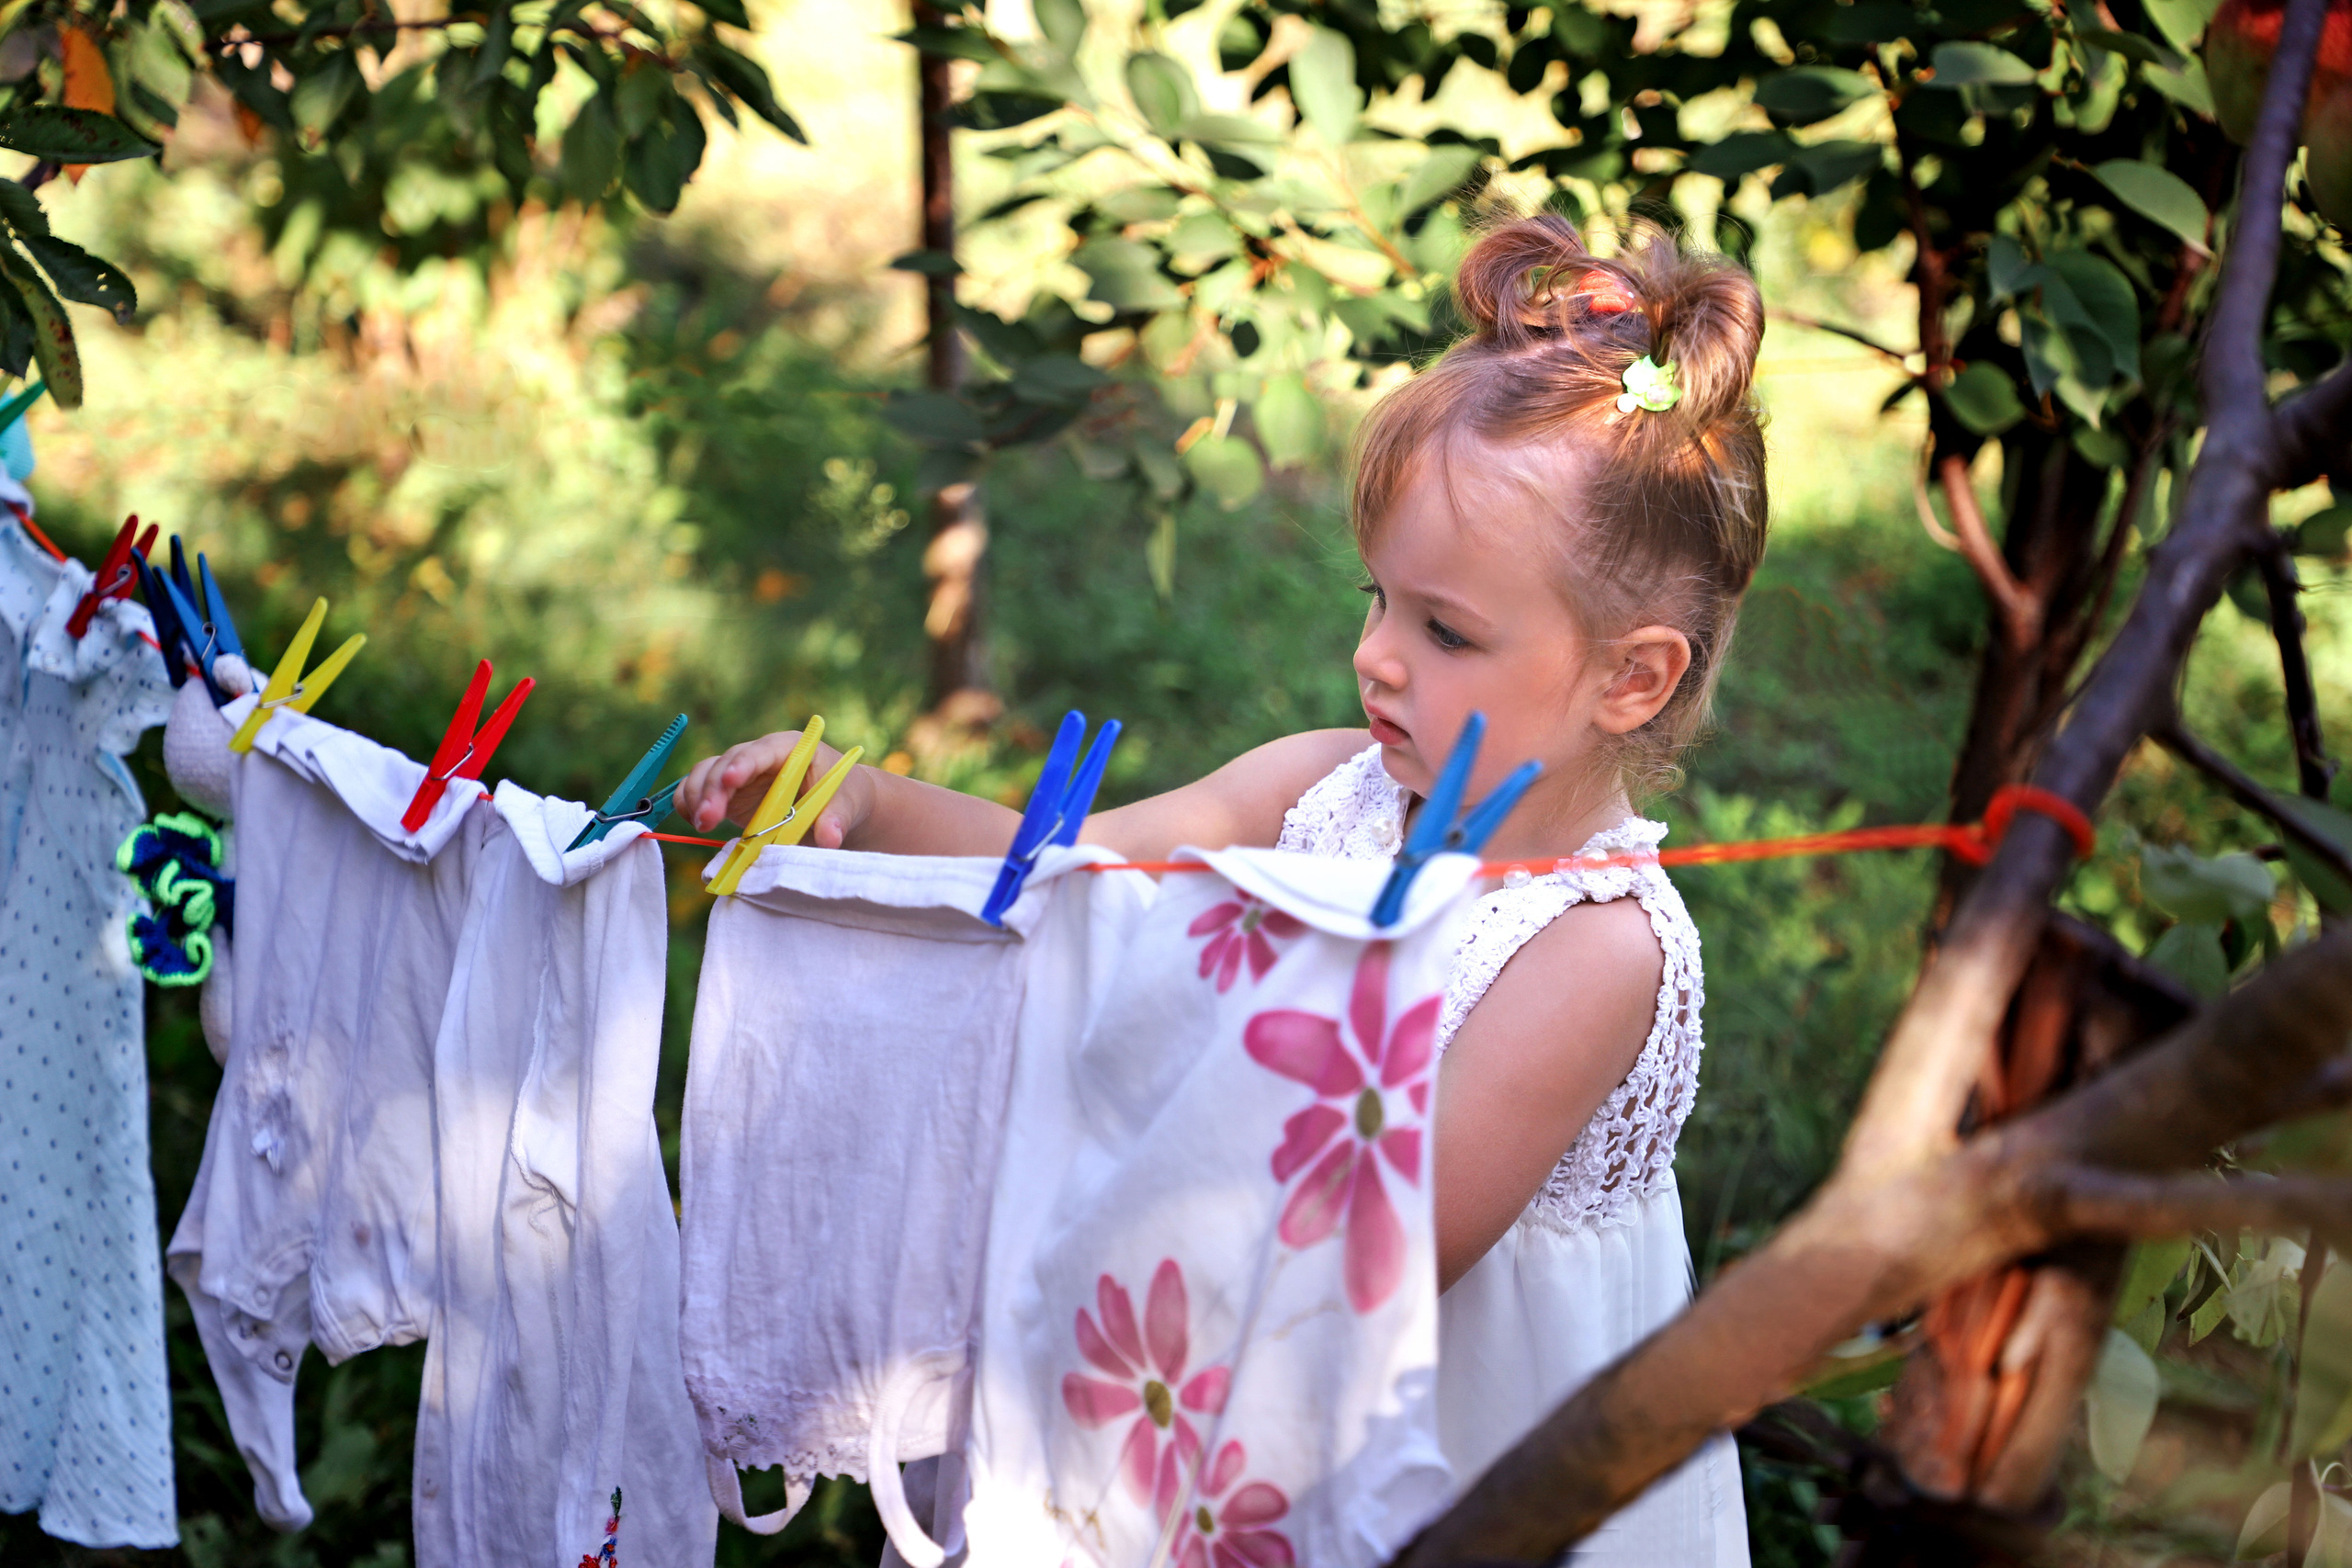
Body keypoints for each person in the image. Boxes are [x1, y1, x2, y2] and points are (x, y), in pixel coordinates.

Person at [674, 212, 1763, 1564]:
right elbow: (1069, 876)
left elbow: (1384, 1261)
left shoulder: (1593, 951)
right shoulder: (1324, 789)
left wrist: (1114, 1166)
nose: (1377, 659)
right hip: (1206, 1370)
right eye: (1378, 600)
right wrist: (875, 800)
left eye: (1445, 630)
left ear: (1632, 677)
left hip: (1449, 1459)